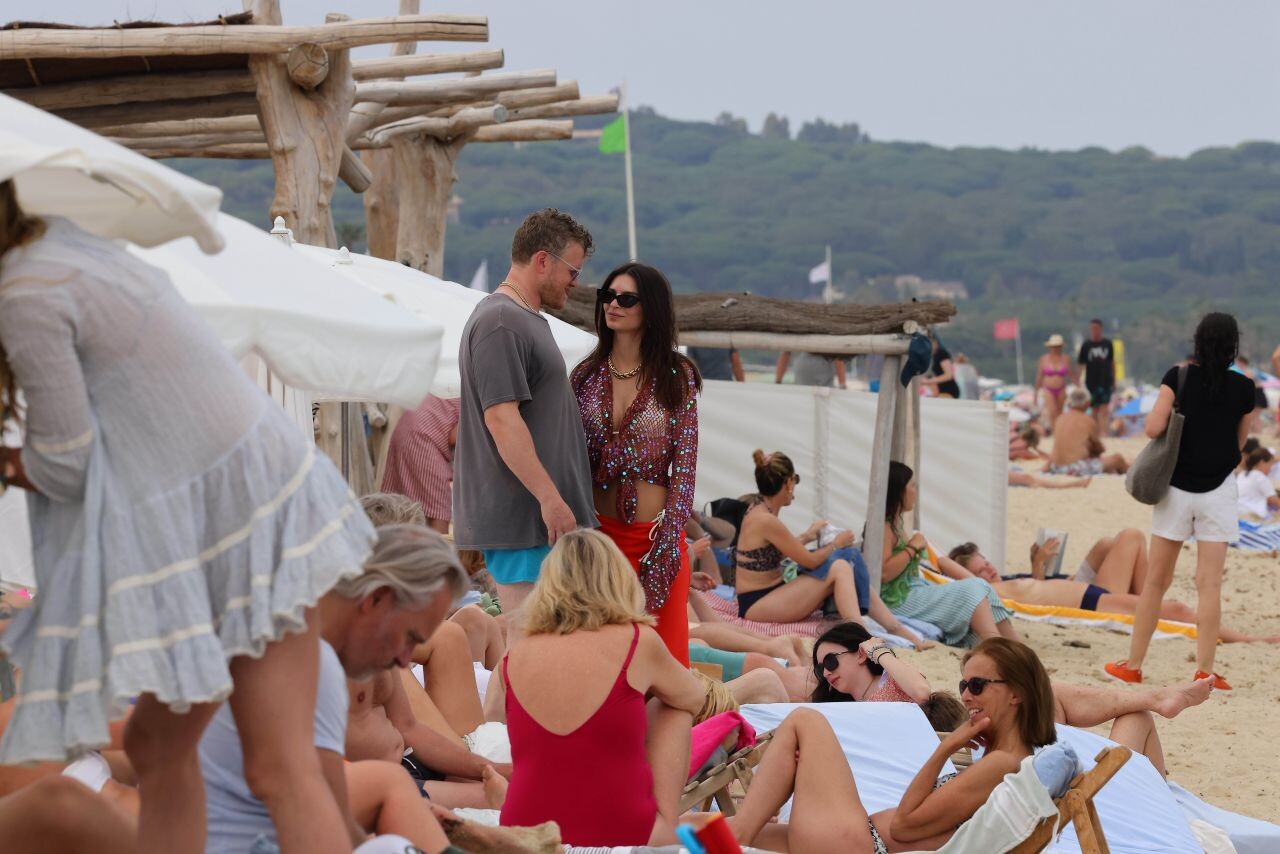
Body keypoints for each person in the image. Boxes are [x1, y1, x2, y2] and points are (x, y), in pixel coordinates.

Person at [0, 180, 376, 854]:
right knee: (163, 744)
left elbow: (67, 464)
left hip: (237, 521)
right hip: (248, 504)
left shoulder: (26, 292)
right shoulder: (63, 249)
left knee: (279, 769)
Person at [199, 523, 469, 854]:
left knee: (393, 790)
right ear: (376, 598)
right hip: (249, 841)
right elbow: (320, 824)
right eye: (409, 637)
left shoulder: (279, 627)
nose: (404, 659)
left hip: (224, 832)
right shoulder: (311, 659)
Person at [726, 638, 1057, 852]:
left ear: (1017, 693)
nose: (966, 695)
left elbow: (903, 824)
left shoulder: (1002, 764)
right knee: (707, 828)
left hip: (859, 844)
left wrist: (946, 747)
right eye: (963, 685)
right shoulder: (1008, 762)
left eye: (977, 685)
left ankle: (738, 839)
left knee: (805, 721)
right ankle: (734, 836)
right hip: (850, 838)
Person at [489, 529, 705, 847]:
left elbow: (494, 720)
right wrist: (641, 697)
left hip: (527, 833)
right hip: (619, 831)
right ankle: (664, 823)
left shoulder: (515, 655)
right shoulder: (636, 640)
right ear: (618, 579)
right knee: (673, 705)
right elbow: (695, 697)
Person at [810, 622, 1215, 778]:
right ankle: (1154, 704)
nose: (826, 673)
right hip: (983, 753)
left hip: (989, 744)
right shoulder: (843, 712)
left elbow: (920, 691)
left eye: (830, 661)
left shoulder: (891, 677)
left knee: (1051, 694)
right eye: (820, 667)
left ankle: (1156, 699)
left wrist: (881, 652)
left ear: (859, 653)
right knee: (1137, 718)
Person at [452, 208, 597, 613]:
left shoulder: (520, 319)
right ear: (543, 261)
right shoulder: (502, 321)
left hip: (537, 522)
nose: (575, 282)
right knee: (530, 638)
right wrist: (550, 499)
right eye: (572, 270)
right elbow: (501, 419)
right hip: (527, 521)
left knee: (546, 638)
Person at [1107, 312, 1256, 690]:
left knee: (1156, 581)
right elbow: (1240, 443)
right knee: (1209, 585)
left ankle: (1133, 665)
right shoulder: (1245, 388)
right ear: (1233, 344)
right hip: (1218, 490)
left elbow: (1153, 428)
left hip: (1175, 489)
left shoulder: (1179, 377)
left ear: (1197, 341)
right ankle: (1205, 671)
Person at [572, 262, 701, 664]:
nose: (613, 304)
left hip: (655, 542)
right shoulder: (584, 376)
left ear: (651, 308)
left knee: (663, 664)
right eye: (607, 296)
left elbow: (685, 470)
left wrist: (668, 545)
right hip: (598, 540)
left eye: (626, 299)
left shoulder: (677, 376)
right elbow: (570, 459)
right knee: (601, 661)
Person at [731, 450, 927, 648]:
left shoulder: (758, 510)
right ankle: (862, 635)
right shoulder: (766, 520)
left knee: (848, 557)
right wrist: (836, 544)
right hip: (757, 603)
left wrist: (807, 536)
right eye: (795, 480)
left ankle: (890, 628)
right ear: (788, 484)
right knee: (841, 566)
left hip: (765, 594)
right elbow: (809, 561)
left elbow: (769, 554)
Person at [949, 539, 1280, 645]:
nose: (988, 571)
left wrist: (1038, 566)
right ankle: (1251, 640)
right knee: (1178, 610)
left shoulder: (1003, 582)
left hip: (1089, 595)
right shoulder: (982, 592)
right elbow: (949, 573)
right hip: (1089, 604)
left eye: (987, 563)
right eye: (980, 570)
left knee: (1121, 543)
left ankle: (1150, 597)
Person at [880, 461, 1021, 647]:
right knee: (974, 588)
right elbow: (884, 573)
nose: (915, 491)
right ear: (899, 492)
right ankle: (998, 647)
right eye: (912, 486)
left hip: (912, 592)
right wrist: (912, 547)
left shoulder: (895, 524)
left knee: (981, 587)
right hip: (898, 601)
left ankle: (1015, 647)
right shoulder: (884, 528)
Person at [381, 395, 461, 534]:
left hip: (406, 429)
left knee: (402, 504)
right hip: (424, 435)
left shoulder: (460, 387)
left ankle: (395, 543)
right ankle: (436, 547)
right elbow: (456, 436)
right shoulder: (484, 397)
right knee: (439, 507)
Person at [1047, 387, 1129, 475]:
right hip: (1075, 467)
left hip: (1056, 467)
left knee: (1103, 464)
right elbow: (1097, 448)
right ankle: (1130, 474)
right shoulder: (1088, 421)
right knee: (1117, 459)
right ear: (1087, 403)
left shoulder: (1059, 419)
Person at [1076, 319, 1116, 434]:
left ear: (1101, 329)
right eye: (1092, 328)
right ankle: (1095, 433)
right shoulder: (1086, 345)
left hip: (1105, 381)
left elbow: (1112, 362)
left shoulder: (1107, 344)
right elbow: (1081, 364)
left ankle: (1104, 433)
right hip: (1091, 381)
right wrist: (1078, 381)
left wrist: (1114, 380)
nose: (1094, 330)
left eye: (1096, 328)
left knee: (1104, 408)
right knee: (1093, 409)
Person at [1035, 333, 1073, 431]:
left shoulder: (1066, 359)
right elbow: (1039, 376)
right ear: (1050, 347)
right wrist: (1035, 394)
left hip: (1061, 388)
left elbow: (1071, 374)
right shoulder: (1044, 359)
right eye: (1054, 347)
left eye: (1058, 346)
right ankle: (1054, 431)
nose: (1056, 349)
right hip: (1048, 388)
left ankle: (1059, 431)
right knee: (1052, 411)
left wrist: (1077, 387)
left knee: (1060, 412)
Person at [1237, 447, 1279, 520]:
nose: (1270, 469)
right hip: (1251, 515)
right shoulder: (1260, 476)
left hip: (1238, 512)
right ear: (1262, 462)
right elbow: (1273, 500)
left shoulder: (1242, 475)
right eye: (1270, 465)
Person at [775, 352, 847, 389]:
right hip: (801, 388)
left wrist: (842, 384)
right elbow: (785, 355)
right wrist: (778, 381)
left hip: (825, 389)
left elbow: (838, 359)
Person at [919, 333, 960, 398]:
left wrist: (928, 381)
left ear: (935, 342)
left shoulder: (941, 354)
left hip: (948, 391)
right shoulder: (933, 356)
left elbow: (948, 375)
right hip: (940, 392)